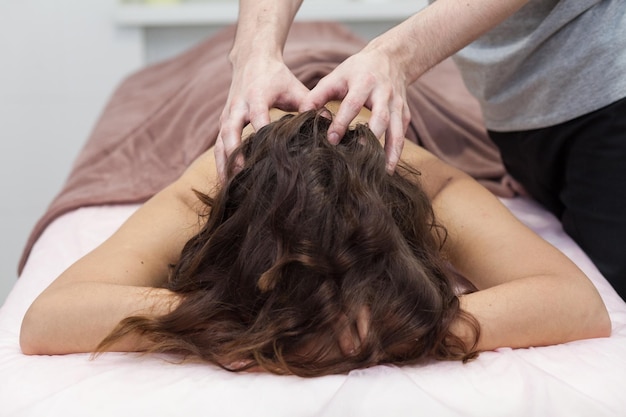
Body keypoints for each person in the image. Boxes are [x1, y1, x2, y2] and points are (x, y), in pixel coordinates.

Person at [20, 104, 610, 377]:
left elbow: (575, 301)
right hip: (192, 97)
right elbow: (48, 317)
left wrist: (403, 326)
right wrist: (230, 321)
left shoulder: (425, 182)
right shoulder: (208, 188)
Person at [216, 0, 626, 300]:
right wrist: (254, 53)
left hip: (608, 87)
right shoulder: (236, 163)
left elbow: (574, 303)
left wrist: (395, 55)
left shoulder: (428, 179)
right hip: (512, 111)